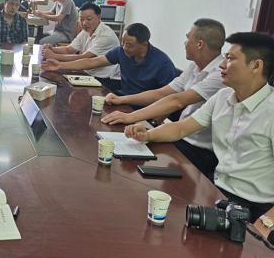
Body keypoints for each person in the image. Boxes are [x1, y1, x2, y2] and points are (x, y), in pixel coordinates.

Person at [124, 32, 274, 223]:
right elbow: (181, 128)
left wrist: (266, 224)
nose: (222, 65)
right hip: (217, 191)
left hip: (257, 208)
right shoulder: (222, 97)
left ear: (256, 66)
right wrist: (147, 135)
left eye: (230, 58)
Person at [101, 19, 226, 179]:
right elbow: (162, 93)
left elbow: (177, 101)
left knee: (136, 167)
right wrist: (122, 99)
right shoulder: (193, 67)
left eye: (187, 38)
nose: (184, 43)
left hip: (198, 150)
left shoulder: (219, 75)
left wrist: (130, 117)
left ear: (200, 44)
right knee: (128, 151)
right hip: (179, 136)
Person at [43, 23, 176, 96]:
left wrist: (154, 121)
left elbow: (171, 97)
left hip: (144, 106)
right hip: (122, 97)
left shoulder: (163, 63)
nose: (124, 48)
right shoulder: (121, 51)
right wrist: (61, 65)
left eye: (129, 45)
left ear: (144, 45)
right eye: (123, 42)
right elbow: (93, 62)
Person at [42, 2, 121, 90]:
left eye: (89, 19)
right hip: (89, 73)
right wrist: (52, 48)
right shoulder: (85, 32)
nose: (84, 23)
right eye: (81, 19)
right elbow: (69, 49)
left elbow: (85, 57)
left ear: (99, 18)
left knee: (65, 88)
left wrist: (54, 56)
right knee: (57, 83)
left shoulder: (106, 35)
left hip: (106, 80)